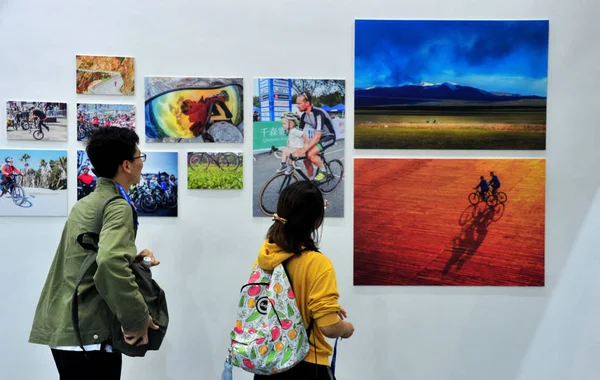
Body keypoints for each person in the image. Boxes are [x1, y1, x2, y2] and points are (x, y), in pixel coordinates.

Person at [29, 127, 160, 380]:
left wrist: (138, 260)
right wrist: (137, 319)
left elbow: (85, 259)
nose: (142, 164)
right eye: (139, 157)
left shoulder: (86, 203)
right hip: (89, 333)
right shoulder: (117, 207)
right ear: (127, 165)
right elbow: (110, 263)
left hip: (65, 325)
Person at [252, 181, 354, 380]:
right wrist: (347, 329)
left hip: (267, 364)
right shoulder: (317, 263)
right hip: (306, 366)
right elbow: (329, 327)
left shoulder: (265, 257)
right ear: (316, 221)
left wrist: (322, 308)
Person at [296, 92, 337, 182]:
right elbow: (298, 134)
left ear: (307, 103)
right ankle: (311, 181)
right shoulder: (303, 116)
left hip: (329, 136)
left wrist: (304, 149)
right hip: (320, 137)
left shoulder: (318, 113)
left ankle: (323, 171)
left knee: (310, 154)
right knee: (306, 160)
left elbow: (317, 137)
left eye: (299, 103)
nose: (297, 106)